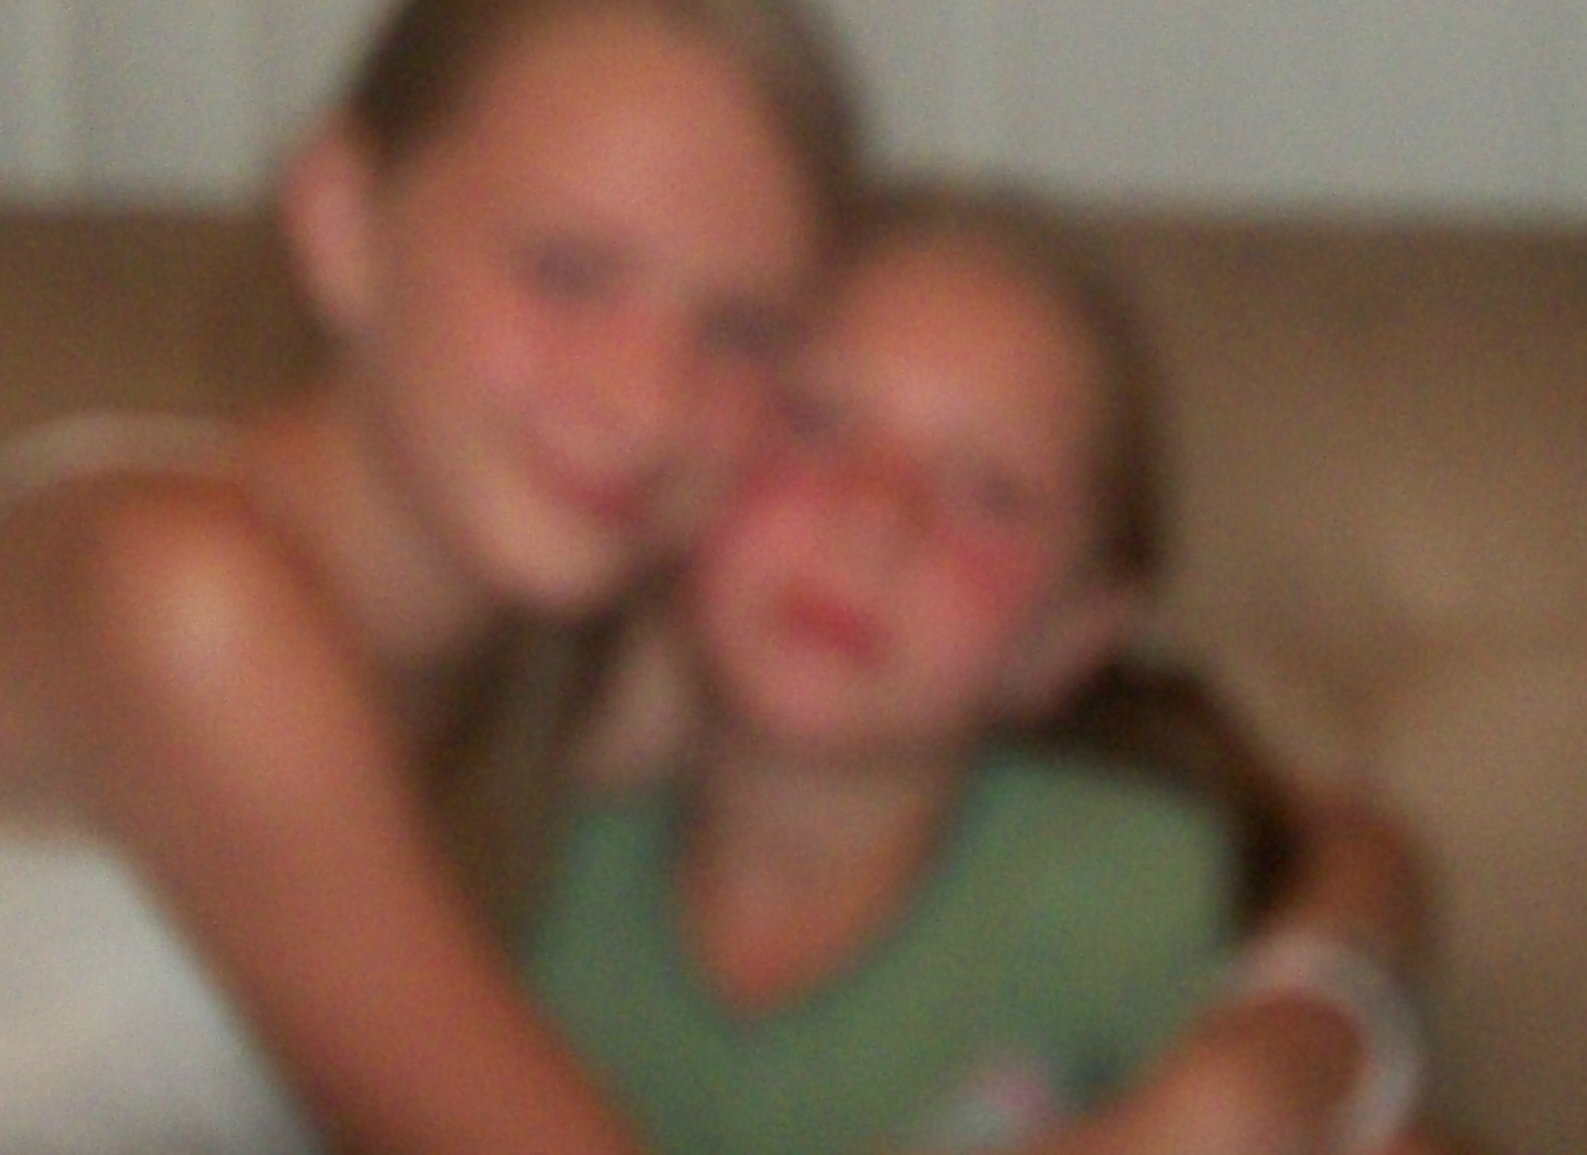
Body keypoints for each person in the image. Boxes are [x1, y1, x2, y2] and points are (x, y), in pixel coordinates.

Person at [0, 0, 860, 1155]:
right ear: (342, 224)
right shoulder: (175, 598)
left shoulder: (544, 664)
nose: (647, 400)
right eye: (567, 272)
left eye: (739, 330)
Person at [529, 180, 1432, 1155]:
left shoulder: (1116, 882)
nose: (874, 514)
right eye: (813, 421)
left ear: (1066, 638)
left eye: (988, 493)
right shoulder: (522, 843)